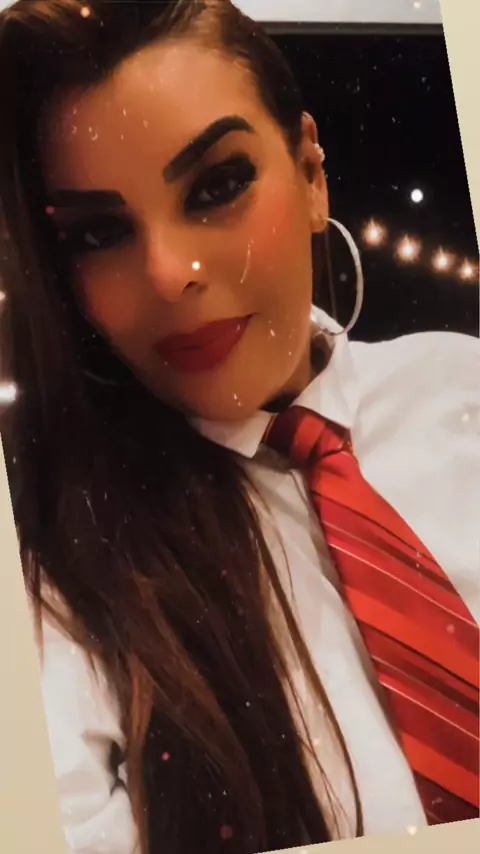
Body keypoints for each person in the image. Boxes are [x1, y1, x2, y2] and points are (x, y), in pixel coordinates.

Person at [0, 1, 478, 853]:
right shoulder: (63, 583)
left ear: (311, 172)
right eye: (100, 233)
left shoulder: (461, 385)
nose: (169, 274)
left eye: (217, 185)